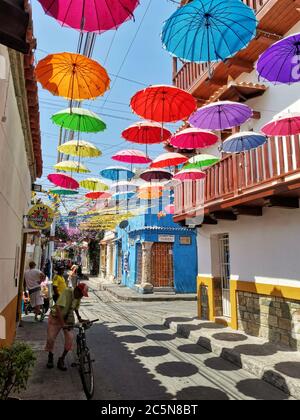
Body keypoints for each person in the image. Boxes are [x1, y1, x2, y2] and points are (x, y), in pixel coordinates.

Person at [45, 283, 89, 371]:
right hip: (55, 317)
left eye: (82, 295)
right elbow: (58, 308)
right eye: (80, 294)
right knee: (51, 338)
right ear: (76, 290)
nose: (81, 297)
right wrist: (62, 324)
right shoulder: (67, 291)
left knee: (70, 339)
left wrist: (79, 318)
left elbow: (75, 308)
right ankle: (50, 355)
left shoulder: (78, 298)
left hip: (67, 318)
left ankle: (61, 359)